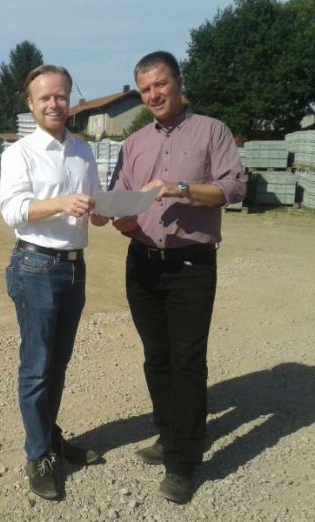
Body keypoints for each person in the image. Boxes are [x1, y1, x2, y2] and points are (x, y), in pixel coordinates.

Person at [108, 51, 246, 504]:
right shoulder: (133, 144)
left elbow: (233, 188)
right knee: (156, 358)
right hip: (143, 262)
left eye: (160, 85)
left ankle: (184, 461)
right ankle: (169, 436)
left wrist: (178, 188)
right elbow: (119, 200)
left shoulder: (212, 131)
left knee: (187, 361)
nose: (153, 95)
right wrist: (118, 218)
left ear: (179, 82)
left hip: (191, 265)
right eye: (145, 89)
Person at [0, 64, 107, 501]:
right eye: (44, 97)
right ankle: (38, 454)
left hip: (74, 267)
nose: (53, 103)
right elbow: (13, 210)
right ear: (31, 103)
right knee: (38, 366)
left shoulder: (83, 150)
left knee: (58, 365)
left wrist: (105, 211)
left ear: (70, 99)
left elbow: (93, 206)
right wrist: (63, 203)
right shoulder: (19, 153)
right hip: (36, 267)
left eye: (60, 96)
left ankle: (50, 437)